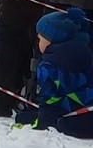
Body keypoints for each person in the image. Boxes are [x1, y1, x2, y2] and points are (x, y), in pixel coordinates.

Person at [18, 8, 93, 138]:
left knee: (23, 118)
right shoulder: (85, 55)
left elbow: (50, 100)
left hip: (73, 119)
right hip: (87, 112)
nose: (38, 43)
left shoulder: (49, 66)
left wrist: (41, 125)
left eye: (40, 38)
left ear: (51, 40)